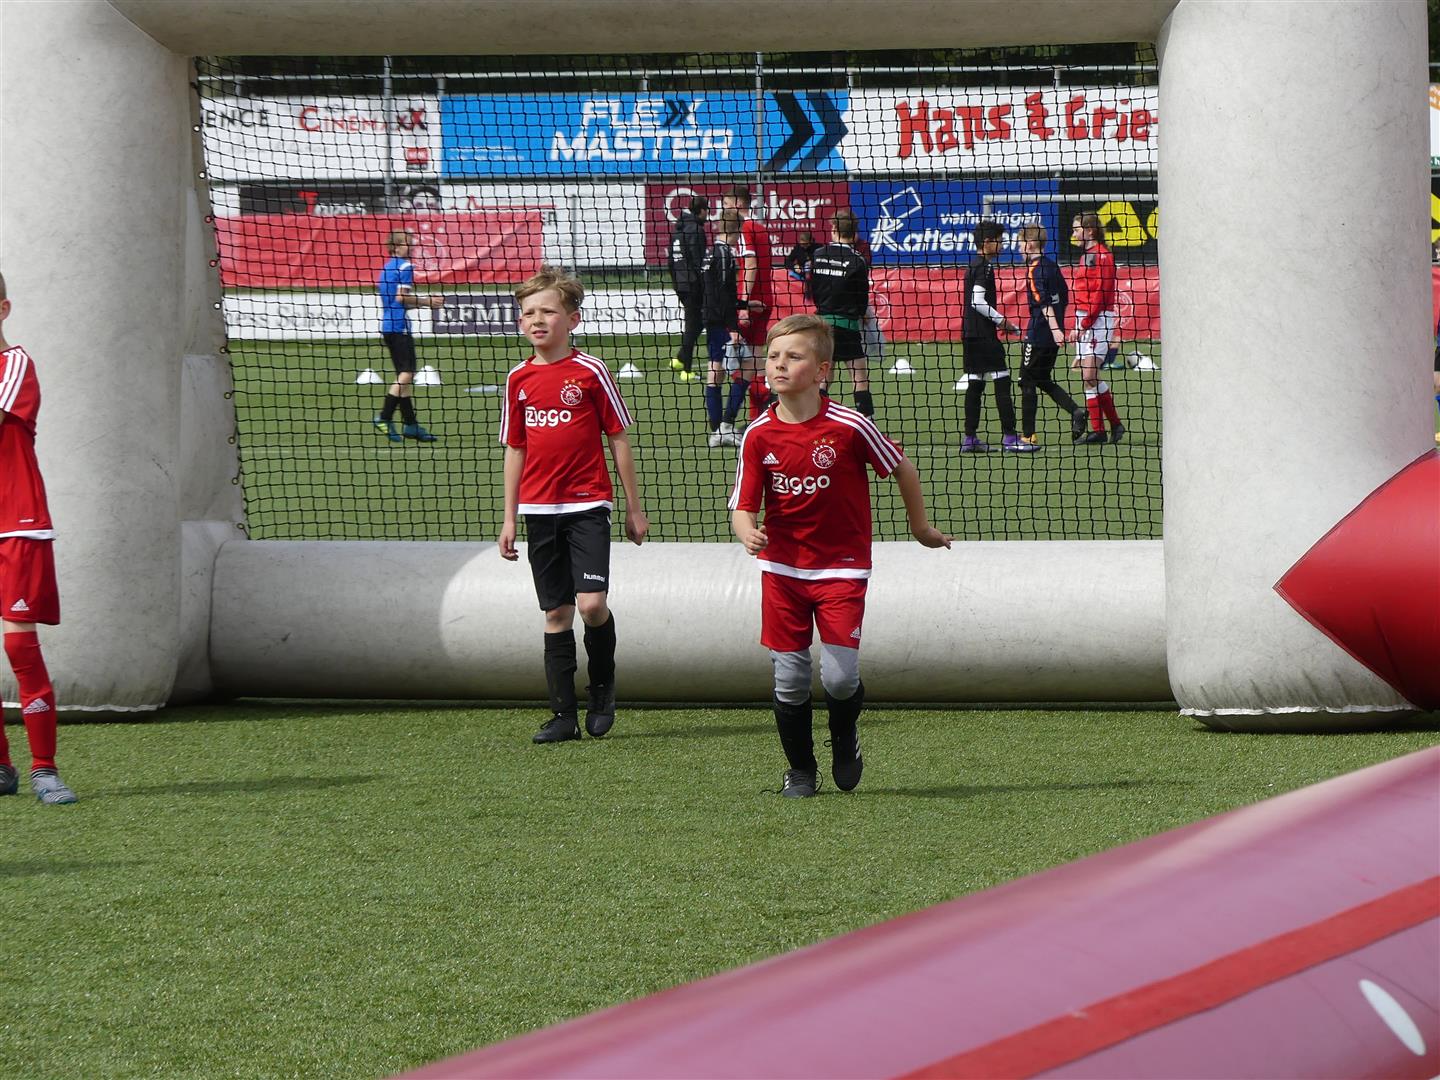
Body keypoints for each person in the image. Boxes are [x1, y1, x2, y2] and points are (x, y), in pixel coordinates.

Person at [729, 315, 951, 798]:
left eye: (793, 356)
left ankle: (844, 735)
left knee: (840, 676)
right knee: (790, 677)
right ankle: (801, 770)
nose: (779, 365)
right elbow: (742, 507)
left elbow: (903, 468)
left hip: (842, 570)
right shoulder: (757, 434)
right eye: (773, 356)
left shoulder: (850, 426)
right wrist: (748, 533)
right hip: (782, 571)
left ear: (822, 370)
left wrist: (921, 529)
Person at [497, 266, 648, 744]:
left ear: (573, 320)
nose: (537, 320)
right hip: (538, 511)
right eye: (528, 313)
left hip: (588, 505)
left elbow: (618, 438)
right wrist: (509, 517)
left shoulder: (591, 372)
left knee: (592, 605)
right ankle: (563, 716)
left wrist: (633, 508)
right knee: (556, 614)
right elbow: (515, 448)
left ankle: (601, 688)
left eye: (547, 311)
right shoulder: (518, 379)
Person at [0, 273, 75, 804]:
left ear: (3, 309)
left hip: (17, 524)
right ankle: (1, 766)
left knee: (20, 647)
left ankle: (44, 770)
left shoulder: (15, 365)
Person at [960, 221, 1036, 453]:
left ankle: (970, 438)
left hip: (970, 335)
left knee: (975, 384)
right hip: (984, 336)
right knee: (1002, 381)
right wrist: (1002, 321)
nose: (1002, 245)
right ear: (987, 242)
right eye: (999, 241)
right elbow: (977, 302)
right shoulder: (984, 267)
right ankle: (1010, 437)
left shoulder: (973, 265)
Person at [1017, 224, 1087, 445]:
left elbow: (1043, 301)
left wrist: (1055, 330)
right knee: (1042, 379)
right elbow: (1063, 297)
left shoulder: (1034, 269)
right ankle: (1076, 411)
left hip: (1039, 333)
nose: (1019, 249)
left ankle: (1028, 434)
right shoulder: (1052, 266)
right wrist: (1059, 328)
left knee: (1026, 380)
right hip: (1053, 334)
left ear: (1029, 244)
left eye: (1020, 244)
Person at [372, 230, 443, 443]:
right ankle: (384, 417)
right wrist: (428, 302)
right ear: (396, 247)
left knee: (405, 377)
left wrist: (421, 304)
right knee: (407, 373)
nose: (411, 247)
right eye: (407, 243)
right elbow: (402, 298)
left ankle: (411, 425)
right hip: (399, 327)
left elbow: (395, 301)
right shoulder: (405, 267)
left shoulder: (386, 269)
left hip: (388, 326)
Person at [808, 210, 875, 417]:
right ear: (854, 233)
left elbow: (813, 290)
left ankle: (814, 419)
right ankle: (868, 423)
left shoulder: (818, 255)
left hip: (822, 325)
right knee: (859, 377)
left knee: (824, 375)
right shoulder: (858, 261)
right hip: (848, 327)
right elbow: (862, 299)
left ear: (834, 229)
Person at [1068, 212, 1125, 445]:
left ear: (1089, 231)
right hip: (1086, 318)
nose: (1074, 234)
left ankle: (1109, 427)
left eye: (1076, 229)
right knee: (1088, 377)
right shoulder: (1087, 256)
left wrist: (1084, 324)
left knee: (1089, 374)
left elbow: (1100, 295)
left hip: (1098, 320)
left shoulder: (1102, 256)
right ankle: (1104, 429)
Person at [721, 185, 775, 419]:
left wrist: (743, 303)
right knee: (754, 359)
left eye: (726, 205)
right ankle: (758, 417)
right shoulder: (761, 229)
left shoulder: (744, 228)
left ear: (738, 204)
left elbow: (751, 265)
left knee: (730, 362)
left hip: (750, 302)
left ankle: (764, 399)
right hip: (764, 299)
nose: (723, 210)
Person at [701, 209, 751, 448]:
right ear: (736, 230)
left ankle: (719, 429)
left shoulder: (711, 252)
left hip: (712, 318)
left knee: (716, 370)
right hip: (721, 321)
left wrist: (744, 304)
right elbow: (722, 293)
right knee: (745, 367)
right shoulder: (724, 255)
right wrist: (732, 326)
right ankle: (724, 426)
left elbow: (715, 292)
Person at [667, 194, 708, 382]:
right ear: (702, 210)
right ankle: (687, 370)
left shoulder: (678, 230)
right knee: (693, 325)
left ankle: (680, 358)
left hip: (680, 283)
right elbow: (698, 261)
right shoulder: (696, 230)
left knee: (698, 322)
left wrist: (677, 281)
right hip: (693, 284)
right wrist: (704, 283)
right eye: (706, 210)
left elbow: (670, 261)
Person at [784, 229, 818, 302]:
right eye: (802, 244)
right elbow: (787, 261)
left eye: (805, 244)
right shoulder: (798, 248)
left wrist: (813, 264)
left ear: (810, 242)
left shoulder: (818, 248)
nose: (803, 246)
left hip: (815, 273)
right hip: (801, 272)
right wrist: (795, 267)